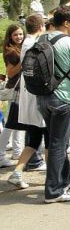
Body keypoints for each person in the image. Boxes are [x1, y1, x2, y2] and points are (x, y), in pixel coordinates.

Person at [37, 6, 70, 203]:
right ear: (66, 22)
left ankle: (65, 179)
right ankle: (54, 190)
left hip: (42, 97)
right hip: (63, 98)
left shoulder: (41, 39)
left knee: (55, 140)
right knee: (59, 144)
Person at [7, 14, 48, 188]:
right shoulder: (35, 44)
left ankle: (17, 172)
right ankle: (54, 177)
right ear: (41, 27)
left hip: (29, 96)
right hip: (37, 98)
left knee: (34, 139)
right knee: (49, 137)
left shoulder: (26, 44)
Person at [0, 24, 25, 166]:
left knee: (18, 122)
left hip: (20, 90)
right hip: (15, 90)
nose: (19, 37)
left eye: (21, 34)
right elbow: (10, 73)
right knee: (10, 124)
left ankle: (17, 151)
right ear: (10, 36)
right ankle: (1, 155)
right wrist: (24, 60)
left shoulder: (19, 48)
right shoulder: (11, 51)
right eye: (15, 35)